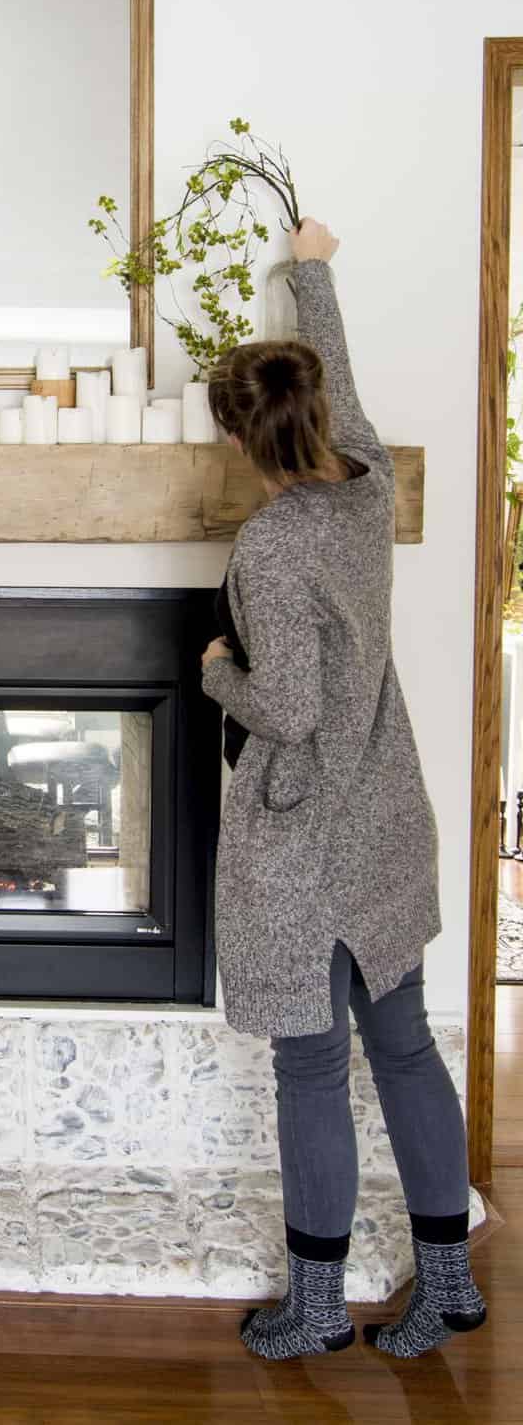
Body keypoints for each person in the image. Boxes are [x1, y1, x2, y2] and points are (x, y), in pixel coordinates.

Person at [199, 218, 486, 1361]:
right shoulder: (363, 474)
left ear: (241, 436)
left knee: (312, 1060)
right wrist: (310, 267)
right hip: (387, 816)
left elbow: (293, 712)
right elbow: (341, 365)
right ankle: (450, 1283)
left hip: (304, 831)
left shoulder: (274, 548)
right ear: (314, 411)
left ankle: (317, 1307)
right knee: (406, 1046)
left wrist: (222, 675)